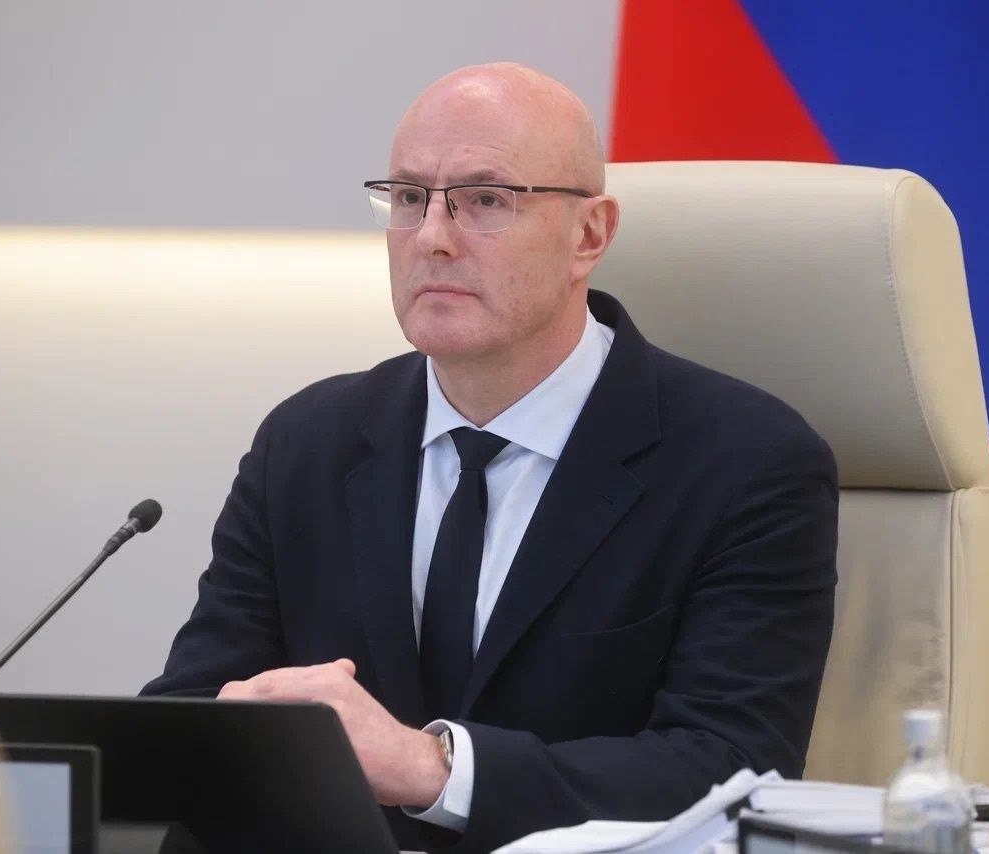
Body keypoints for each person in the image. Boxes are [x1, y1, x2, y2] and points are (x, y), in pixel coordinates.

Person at [143, 62, 838, 852]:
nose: (432, 238)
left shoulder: (748, 464)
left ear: (589, 235)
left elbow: (729, 768)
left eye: (485, 200)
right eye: (410, 198)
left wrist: (432, 767)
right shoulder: (306, 442)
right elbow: (193, 712)